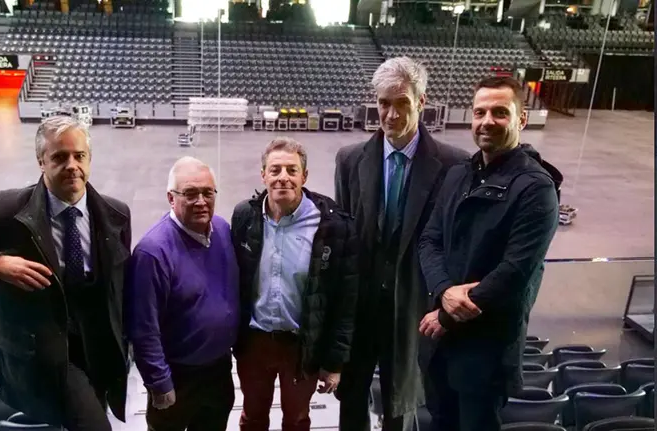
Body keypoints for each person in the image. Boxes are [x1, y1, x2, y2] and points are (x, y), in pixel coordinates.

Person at [0, 115, 131, 430]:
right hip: (47, 353)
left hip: (98, 349)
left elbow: (116, 285)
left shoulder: (116, 213)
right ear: (41, 161)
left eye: (79, 155)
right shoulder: (3, 211)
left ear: (89, 159)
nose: (72, 165)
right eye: (59, 157)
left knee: (90, 411)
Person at [418, 76, 562, 431]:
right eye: (479, 112)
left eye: (500, 112)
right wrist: (444, 291)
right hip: (442, 347)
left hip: (486, 350)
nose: (487, 121)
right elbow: (429, 241)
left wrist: (447, 315)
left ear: (521, 119)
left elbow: (515, 272)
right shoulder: (457, 175)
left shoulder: (536, 188)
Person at [333, 56, 469, 431]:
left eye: (402, 103)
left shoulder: (455, 165)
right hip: (360, 309)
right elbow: (345, 238)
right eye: (383, 103)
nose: (391, 115)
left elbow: (454, 246)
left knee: (401, 405)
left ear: (421, 102)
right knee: (351, 397)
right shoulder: (348, 161)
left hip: (414, 310)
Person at [231, 137, 359, 431]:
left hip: (302, 346)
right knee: (252, 419)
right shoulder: (244, 216)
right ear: (263, 175)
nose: (283, 178)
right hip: (255, 343)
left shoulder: (333, 227)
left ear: (305, 176)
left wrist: (335, 362)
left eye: (292, 170)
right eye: (275, 170)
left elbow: (345, 301)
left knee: (297, 420)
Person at [125, 156, 238, 431]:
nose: (201, 201)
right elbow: (143, 327)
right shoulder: (153, 252)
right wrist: (159, 382)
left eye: (207, 192)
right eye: (190, 193)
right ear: (171, 198)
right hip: (177, 375)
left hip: (219, 371)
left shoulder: (222, 229)